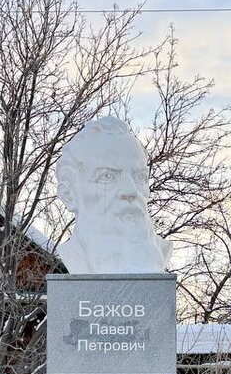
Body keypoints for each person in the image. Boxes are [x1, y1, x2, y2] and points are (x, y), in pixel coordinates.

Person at [54, 116, 172, 273]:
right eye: (107, 176)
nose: (131, 191)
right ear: (69, 194)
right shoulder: (73, 258)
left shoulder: (159, 253)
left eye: (139, 177)